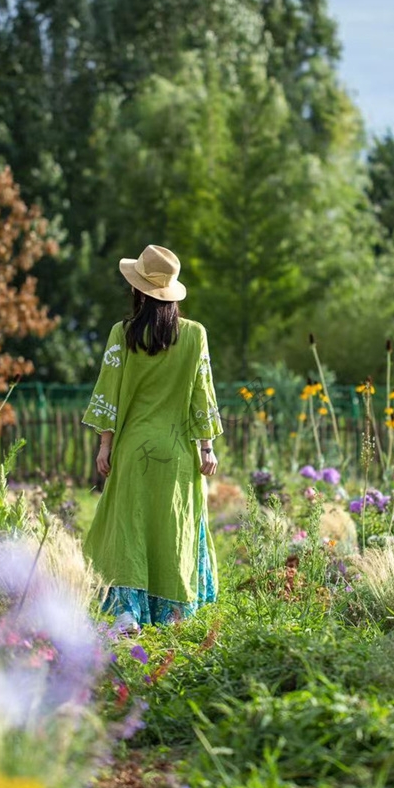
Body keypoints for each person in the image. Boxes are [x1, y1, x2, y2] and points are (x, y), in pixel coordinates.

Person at [81, 244, 223, 626]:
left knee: (128, 529)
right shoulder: (195, 335)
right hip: (177, 453)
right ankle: (174, 617)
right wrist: (206, 448)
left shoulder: (122, 334)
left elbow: (108, 393)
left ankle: (127, 615)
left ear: (137, 290)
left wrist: (105, 446)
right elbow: (201, 393)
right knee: (172, 529)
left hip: (131, 450)